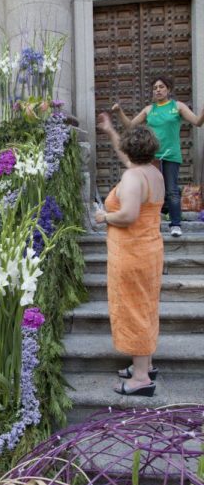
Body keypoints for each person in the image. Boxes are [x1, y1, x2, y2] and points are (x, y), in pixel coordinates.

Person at [95, 113, 165, 397]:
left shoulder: (133, 176)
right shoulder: (153, 172)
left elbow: (128, 215)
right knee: (145, 306)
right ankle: (144, 365)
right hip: (149, 249)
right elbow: (126, 159)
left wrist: (104, 216)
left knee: (134, 309)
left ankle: (140, 379)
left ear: (129, 150)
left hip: (133, 251)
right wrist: (111, 131)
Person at [112, 77, 204, 237]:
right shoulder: (149, 109)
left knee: (172, 190)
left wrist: (203, 113)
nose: (158, 90)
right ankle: (152, 225)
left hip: (171, 155)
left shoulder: (177, 106)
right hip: (151, 156)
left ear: (168, 89)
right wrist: (119, 112)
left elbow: (197, 122)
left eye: (161, 87)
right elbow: (129, 126)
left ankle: (175, 225)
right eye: (155, 88)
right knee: (152, 192)